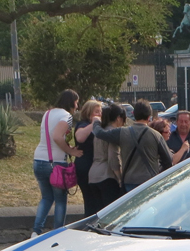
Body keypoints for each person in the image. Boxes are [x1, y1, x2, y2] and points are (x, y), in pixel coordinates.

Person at [93, 99, 172, 194]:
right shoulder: (156, 135)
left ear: (134, 115)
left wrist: (96, 122)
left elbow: (99, 133)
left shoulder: (122, 132)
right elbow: (168, 160)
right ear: (149, 117)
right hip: (150, 180)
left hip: (129, 180)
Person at [32, 89, 82, 237]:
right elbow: (57, 137)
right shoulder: (66, 116)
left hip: (39, 159)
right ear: (72, 102)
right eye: (77, 103)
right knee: (60, 200)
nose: (77, 107)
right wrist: (71, 151)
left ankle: (36, 230)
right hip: (56, 164)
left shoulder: (47, 113)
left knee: (46, 197)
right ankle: (58, 232)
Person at [86, 104, 127, 213]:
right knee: (110, 214)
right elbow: (113, 157)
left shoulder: (100, 132)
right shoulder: (112, 133)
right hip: (107, 175)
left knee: (99, 213)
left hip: (93, 175)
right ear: (118, 118)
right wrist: (119, 178)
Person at [74, 100, 102, 217]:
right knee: (90, 199)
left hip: (95, 166)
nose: (99, 114)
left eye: (100, 112)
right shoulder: (83, 125)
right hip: (85, 166)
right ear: (89, 112)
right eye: (96, 112)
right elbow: (80, 137)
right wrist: (93, 124)